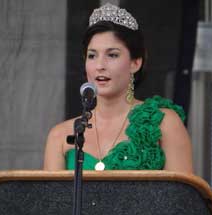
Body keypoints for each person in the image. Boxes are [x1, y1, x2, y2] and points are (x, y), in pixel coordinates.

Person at [44, 3, 193, 173]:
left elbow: (182, 197)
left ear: (135, 63)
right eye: (92, 56)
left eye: (112, 55)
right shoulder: (60, 136)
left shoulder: (164, 123)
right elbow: (51, 199)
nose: (100, 65)